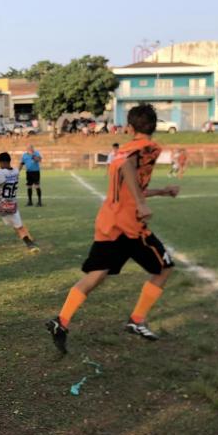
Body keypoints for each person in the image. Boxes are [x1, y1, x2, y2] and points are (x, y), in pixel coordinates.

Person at [46, 104, 179, 354]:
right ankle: (137, 320)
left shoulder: (121, 151)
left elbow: (131, 184)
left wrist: (160, 191)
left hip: (109, 223)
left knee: (97, 274)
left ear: (129, 127)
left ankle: (61, 321)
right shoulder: (147, 148)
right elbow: (130, 169)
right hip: (130, 227)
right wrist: (141, 203)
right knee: (164, 268)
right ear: (153, 125)